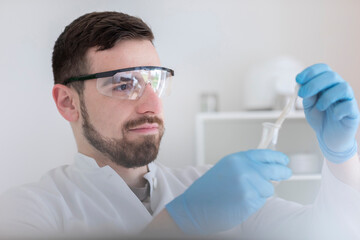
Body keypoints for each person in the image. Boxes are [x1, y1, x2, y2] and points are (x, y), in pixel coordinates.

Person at [0, 11, 359, 239]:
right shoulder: (27, 212)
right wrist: (186, 221)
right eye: (124, 84)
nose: (152, 105)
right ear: (68, 102)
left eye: (156, 82)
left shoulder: (218, 188)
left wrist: (342, 157)